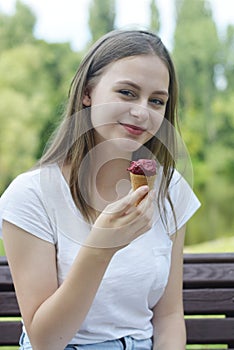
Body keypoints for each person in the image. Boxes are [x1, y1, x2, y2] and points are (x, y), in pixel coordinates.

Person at [0, 29, 200, 350]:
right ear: (88, 93)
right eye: (127, 92)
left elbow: (169, 316)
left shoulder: (169, 188)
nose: (142, 112)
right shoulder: (31, 196)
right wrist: (101, 248)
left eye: (157, 101)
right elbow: (46, 340)